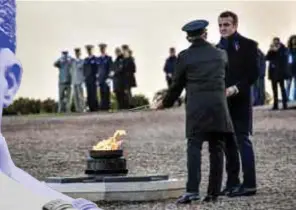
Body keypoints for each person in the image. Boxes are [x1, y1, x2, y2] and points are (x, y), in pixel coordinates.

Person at [0, 1, 102, 209]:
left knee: (78, 99)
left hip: (78, 82)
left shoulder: (47, 204)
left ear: (9, 81)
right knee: (64, 98)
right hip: (65, 81)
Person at [154, 19, 235, 203]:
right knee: (217, 150)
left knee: (194, 148)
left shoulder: (185, 57)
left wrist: (164, 103)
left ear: (189, 37)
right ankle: (213, 193)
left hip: (197, 110)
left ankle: (192, 191)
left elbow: (176, 86)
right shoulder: (221, 54)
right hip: (218, 108)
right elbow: (225, 77)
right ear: (205, 33)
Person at [217, 11, 259, 196]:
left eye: (226, 24)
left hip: (240, 101)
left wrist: (235, 89)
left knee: (243, 141)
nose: (223, 28)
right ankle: (232, 182)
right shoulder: (216, 49)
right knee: (228, 143)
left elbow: (253, 74)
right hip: (223, 102)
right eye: (220, 25)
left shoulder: (248, 45)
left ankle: (249, 184)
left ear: (235, 25)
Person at [266, 37, 290, 110]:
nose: (275, 43)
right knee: (274, 90)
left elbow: (284, 59)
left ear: (279, 42)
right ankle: (275, 105)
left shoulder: (283, 49)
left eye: (276, 42)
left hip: (281, 73)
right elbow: (266, 58)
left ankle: (285, 105)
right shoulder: (272, 50)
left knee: (282, 89)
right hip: (273, 73)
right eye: (274, 42)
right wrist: (270, 50)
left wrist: (277, 51)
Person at [83, 44, 99, 112]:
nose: (89, 51)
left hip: (93, 78)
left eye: (90, 49)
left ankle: (95, 108)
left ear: (93, 50)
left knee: (94, 93)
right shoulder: (85, 60)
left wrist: (97, 78)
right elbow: (84, 70)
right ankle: (90, 107)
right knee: (88, 93)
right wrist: (84, 78)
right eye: (88, 50)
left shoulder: (95, 59)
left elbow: (98, 69)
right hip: (87, 79)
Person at [97, 43, 112, 111]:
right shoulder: (98, 59)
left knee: (107, 93)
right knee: (101, 93)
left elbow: (111, 68)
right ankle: (102, 108)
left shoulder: (109, 58)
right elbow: (97, 70)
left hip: (106, 79)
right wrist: (97, 79)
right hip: (100, 79)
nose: (102, 49)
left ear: (105, 49)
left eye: (103, 48)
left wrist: (109, 78)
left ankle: (107, 107)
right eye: (101, 48)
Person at [71, 48, 85, 112]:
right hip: (74, 81)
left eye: (78, 52)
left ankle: (82, 108)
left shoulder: (82, 61)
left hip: (80, 81)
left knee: (80, 96)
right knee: (75, 96)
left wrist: (83, 80)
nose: (77, 54)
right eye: (76, 53)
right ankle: (77, 109)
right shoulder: (73, 62)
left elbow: (83, 70)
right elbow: (72, 71)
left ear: (80, 53)